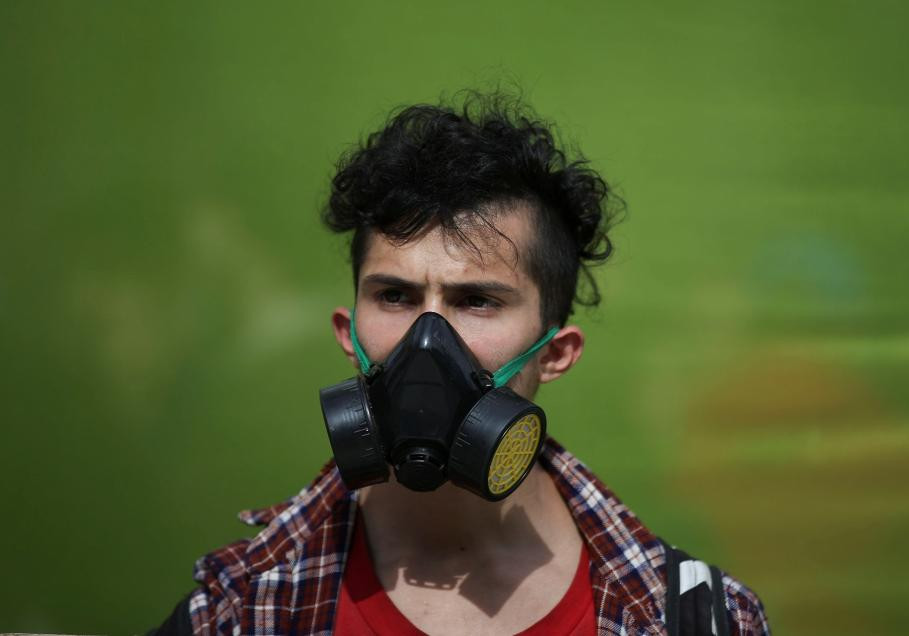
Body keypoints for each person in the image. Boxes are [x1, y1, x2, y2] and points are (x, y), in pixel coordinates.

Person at [150, 92, 770, 635]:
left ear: (556, 353)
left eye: (476, 300)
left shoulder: (693, 620)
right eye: (395, 296)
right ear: (348, 332)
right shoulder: (240, 609)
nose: (428, 339)